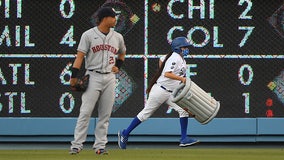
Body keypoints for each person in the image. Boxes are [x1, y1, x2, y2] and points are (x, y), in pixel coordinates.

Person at [118, 37, 199, 149]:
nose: (186, 49)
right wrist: (181, 79)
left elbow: (162, 60)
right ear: (178, 48)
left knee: (182, 110)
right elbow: (167, 74)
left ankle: (184, 138)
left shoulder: (180, 59)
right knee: (145, 114)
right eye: (184, 47)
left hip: (170, 93)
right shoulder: (175, 57)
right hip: (160, 91)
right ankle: (125, 133)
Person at [69, 7, 126, 155]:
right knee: (85, 112)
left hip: (109, 78)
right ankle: (76, 145)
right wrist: (73, 77)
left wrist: (117, 67)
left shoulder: (117, 37)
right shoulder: (88, 35)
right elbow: (80, 57)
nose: (115, 19)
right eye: (113, 17)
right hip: (92, 75)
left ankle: (100, 146)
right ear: (105, 18)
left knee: (105, 114)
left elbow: (122, 53)